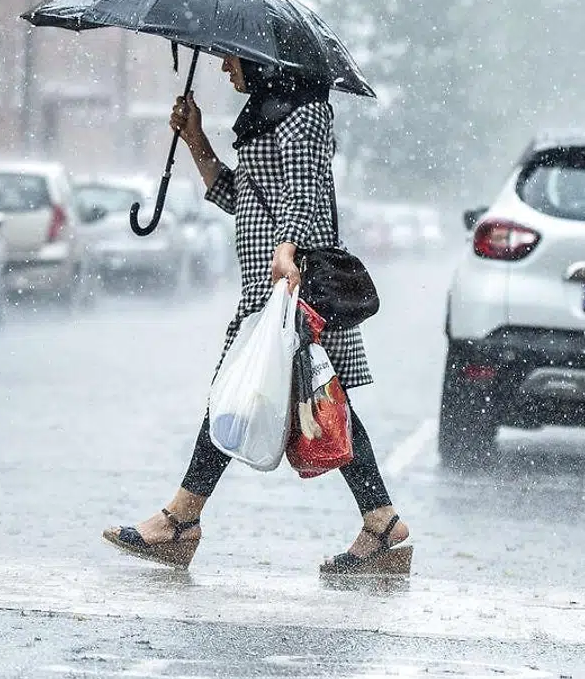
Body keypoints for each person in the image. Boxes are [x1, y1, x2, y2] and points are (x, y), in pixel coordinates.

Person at [103, 55, 410, 574]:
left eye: (232, 57)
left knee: (245, 396)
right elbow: (239, 196)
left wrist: (287, 247)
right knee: (315, 403)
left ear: (266, 62)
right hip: (268, 293)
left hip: (295, 290)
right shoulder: (266, 114)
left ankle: (181, 520)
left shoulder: (306, 111)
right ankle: (381, 522)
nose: (224, 65)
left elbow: (303, 192)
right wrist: (196, 139)